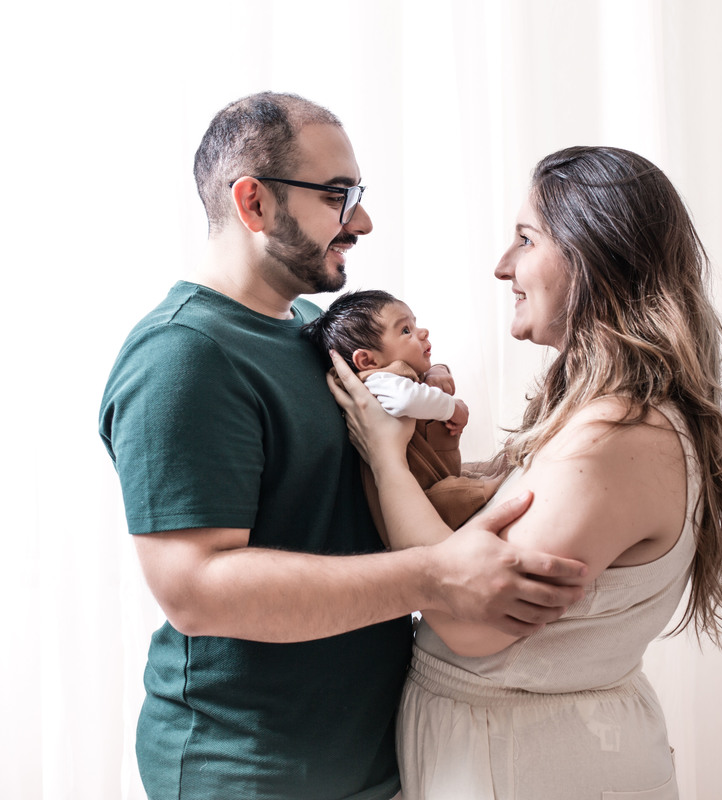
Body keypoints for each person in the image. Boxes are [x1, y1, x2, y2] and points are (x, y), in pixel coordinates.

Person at [98, 92, 588, 800]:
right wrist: (434, 575)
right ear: (254, 204)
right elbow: (197, 590)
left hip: (373, 762)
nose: (361, 220)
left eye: (358, 194)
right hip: (249, 777)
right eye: (338, 195)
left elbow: (344, 503)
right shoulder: (183, 357)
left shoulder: (310, 328)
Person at [329, 146, 722, 799]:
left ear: (594, 253)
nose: (503, 267)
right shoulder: (602, 417)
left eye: (525, 239)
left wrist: (384, 455)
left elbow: (469, 624)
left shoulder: (614, 439)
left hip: (527, 764)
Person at [302, 289, 503, 532]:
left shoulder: (393, 375)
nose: (422, 332)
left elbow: (416, 379)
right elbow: (406, 398)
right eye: (405, 330)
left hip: (438, 480)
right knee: (483, 490)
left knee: (470, 480)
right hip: (422, 501)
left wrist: (437, 370)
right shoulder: (374, 381)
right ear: (367, 361)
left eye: (414, 324)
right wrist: (453, 408)